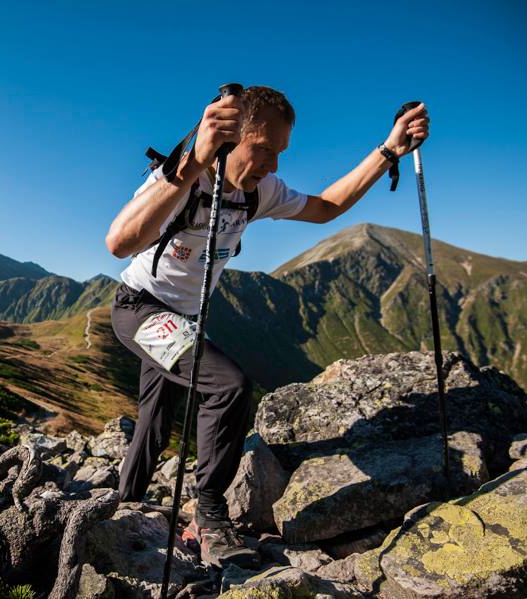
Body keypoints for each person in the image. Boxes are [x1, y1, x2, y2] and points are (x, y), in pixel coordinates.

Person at [105, 86, 429, 568]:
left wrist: (387, 151)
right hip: (139, 308)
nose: (273, 166)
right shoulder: (180, 179)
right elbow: (119, 243)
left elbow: (326, 208)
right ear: (230, 136)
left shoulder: (258, 193)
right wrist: (192, 162)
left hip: (183, 319)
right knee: (229, 386)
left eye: (280, 153)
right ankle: (208, 517)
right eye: (264, 150)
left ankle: (123, 507)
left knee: (156, 417)